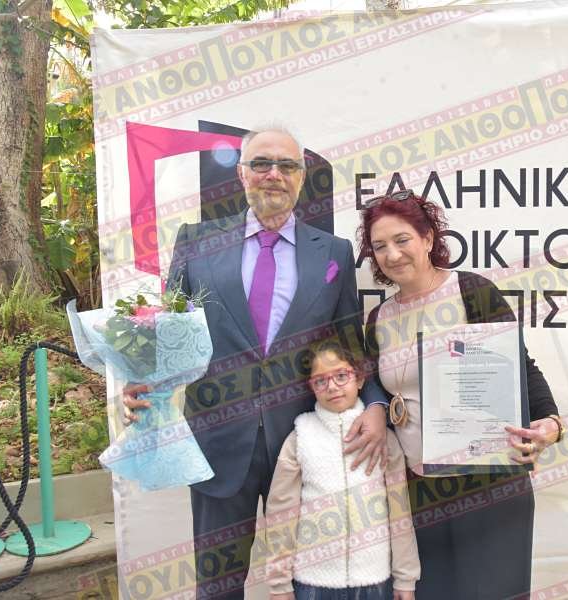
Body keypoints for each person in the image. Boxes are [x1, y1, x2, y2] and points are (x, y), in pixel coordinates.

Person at [123, 127, 388, 599]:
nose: (273, 174)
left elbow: (350, 343)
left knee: (312, 584)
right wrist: (145, 381)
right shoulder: (196, 242)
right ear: (242, 174)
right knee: (218, 586)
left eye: (287, 165)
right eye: (261, 163)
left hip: (307, 445)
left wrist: (375, 405)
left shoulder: (333, 253)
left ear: (301, 177)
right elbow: (171, 331)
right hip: (218, 441)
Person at [357, 190, 562, 599]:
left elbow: (520, 366)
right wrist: (377, 407)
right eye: (379, 246)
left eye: (402, 239)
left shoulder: (471, 290)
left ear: (428, 238)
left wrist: (552, 424)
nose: (392, 254)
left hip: (487, 484)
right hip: (418, 490)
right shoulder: (379, 317)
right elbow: (375, 384)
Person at [266, 340, 420, 600]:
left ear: (359, 379)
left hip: (373, 581)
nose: (332, 387)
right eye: (320, 381)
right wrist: (279, 585)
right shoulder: (299, 438)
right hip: (313, 584)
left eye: (341, 376)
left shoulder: (384, 440)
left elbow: (400, 512)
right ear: (311, 387)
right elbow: (281, 513)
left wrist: (405, 578)